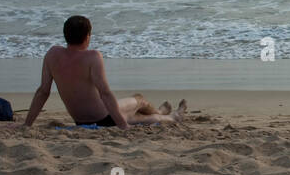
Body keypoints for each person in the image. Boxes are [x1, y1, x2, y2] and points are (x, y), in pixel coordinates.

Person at [19, 15, 186, 129]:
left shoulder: (52, 54)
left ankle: (161, 112)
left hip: (80, 120)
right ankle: (170, 116)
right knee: (140, 100)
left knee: (136, 116)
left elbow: (43, 92)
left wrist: (27, 124)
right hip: (105, 117)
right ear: (87, 36)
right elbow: (105, 93)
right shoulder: (92, 56)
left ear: (65, 35)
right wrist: (122, 126)